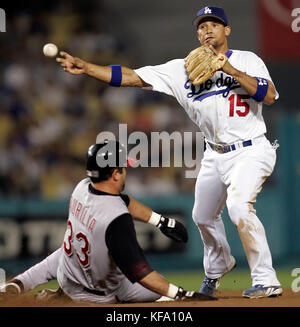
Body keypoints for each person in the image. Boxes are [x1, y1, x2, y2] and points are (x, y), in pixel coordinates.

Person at [53, 5, 282, 299]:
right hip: (215, 153)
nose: (207, 29)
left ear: (226, 30)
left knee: (238, 207)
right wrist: (87, 68)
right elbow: (130, 76)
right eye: (201, 25)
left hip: (252, 149)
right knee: (202, 215)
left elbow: (270, 95)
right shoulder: (181, 69)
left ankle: (266, 279)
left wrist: (229, 69)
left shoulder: (248, 60)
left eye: (213, 24)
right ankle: (218, 266)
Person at [1, 140, 214, 304]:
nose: (125, 172)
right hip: (97, 293)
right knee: (160, 291)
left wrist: (160, 221)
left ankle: (19, 284)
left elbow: (123, 201)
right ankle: (63, 298)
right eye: (123, 168)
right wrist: (180, 294)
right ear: (114, 174)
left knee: (62, 255)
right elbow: (141, 273)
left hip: (68, 271)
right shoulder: (117, 220)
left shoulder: (82, 187)